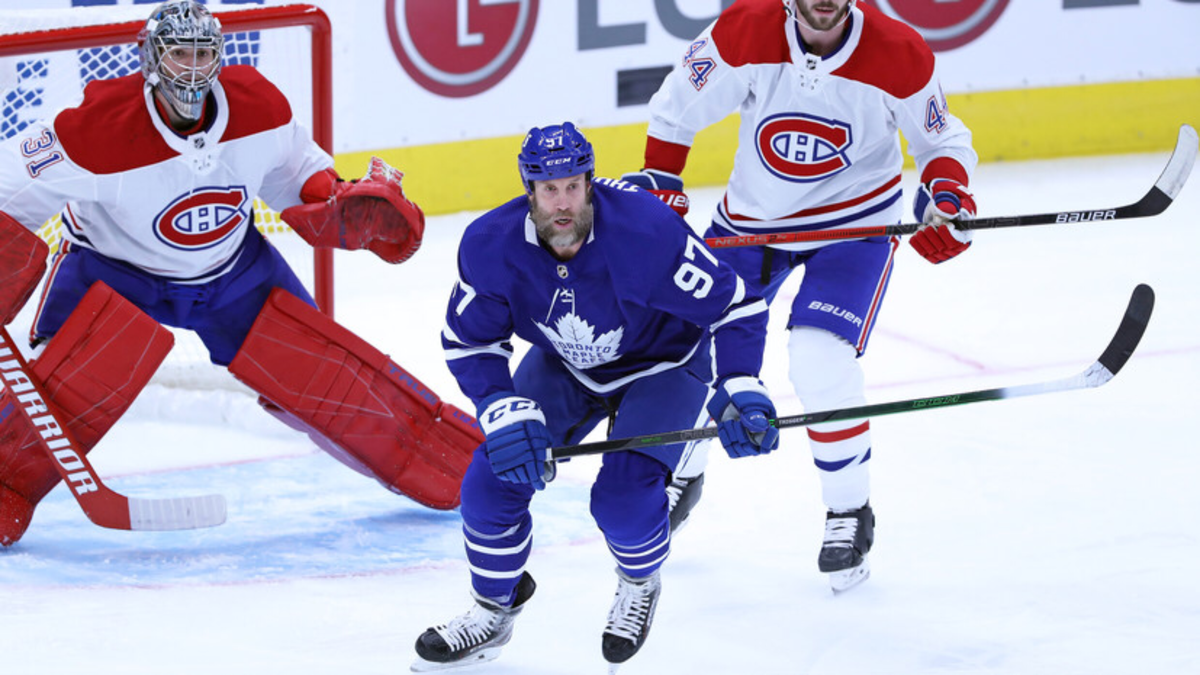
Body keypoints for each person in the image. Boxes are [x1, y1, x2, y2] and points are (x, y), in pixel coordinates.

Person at [0, 0, 481, 548]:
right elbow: (10, 190)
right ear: (150, 59)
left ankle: (457, 468)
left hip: (232, 276)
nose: (192, 68)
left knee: (328, 377)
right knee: (66, 393)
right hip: (116, 276)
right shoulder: (92, 127)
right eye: (179, 54)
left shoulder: (257, 105)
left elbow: (296, 174)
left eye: (203, 54)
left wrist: (334, 199)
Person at [622, 0, 979, 593]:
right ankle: (682, 472)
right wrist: (663, 181)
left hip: (854, 228)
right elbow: (674, 108)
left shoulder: (898, 51)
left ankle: (848, 511)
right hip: (751, 225)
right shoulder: (745, 30)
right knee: (693, 353)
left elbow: (942, 140)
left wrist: (947, 196)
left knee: (819, 359)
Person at [411, 122, 777, 671]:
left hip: (663, 364)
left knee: (623, 501)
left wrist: (742, 382)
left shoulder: (646, 231)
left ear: (590, 183)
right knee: (489, 481)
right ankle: (493, 610)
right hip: (564, 363)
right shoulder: (490, 245)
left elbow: (736, 305)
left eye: (573, 187)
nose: (563, 203)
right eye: (549, 189)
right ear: (529, 190)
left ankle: (639, 582)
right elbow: (470, 341)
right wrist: (499, 405)